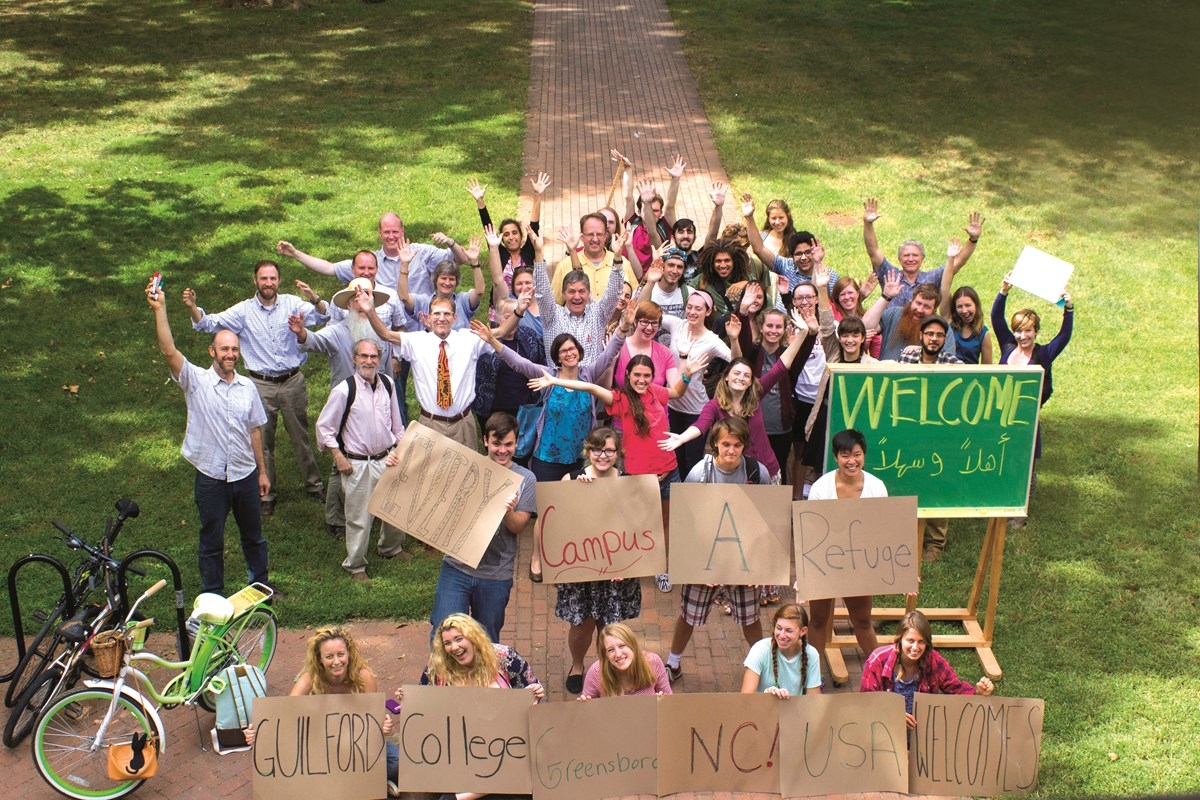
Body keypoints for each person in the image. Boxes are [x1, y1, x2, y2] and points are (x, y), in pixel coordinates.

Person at [529, 352, 710, 593]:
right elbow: (591, 387)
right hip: (638, 477)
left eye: (647, 375)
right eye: (637, 375)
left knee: (665, 523)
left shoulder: (656, 392)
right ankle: (629, 564)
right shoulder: (620, 398)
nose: (642, 380)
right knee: (633, 524)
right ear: (627, 375)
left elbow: (676, 393)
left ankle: (661, 567)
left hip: (669, 471)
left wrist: (687, 375)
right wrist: (555, 381)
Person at [470, 319, 626, 580]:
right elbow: (520, 363)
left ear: (579, 351)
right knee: (547, 511)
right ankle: (537, 557)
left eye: (572, 348)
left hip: (580, 458)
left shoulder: (588, 374)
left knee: (575, 510)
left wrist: (623, 328)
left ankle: (570, 554)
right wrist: (494, 342)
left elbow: (610, 354)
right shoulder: (547, 376)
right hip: (548, 457)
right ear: (557, 356)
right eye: (563, 350)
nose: (569, 353)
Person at [146, 277, 270, 596]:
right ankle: (212, 594)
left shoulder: (248, 389)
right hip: (211, 478)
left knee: (253, 537)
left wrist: (262, 471)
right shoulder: (195, 382)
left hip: (245, 476)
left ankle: (259, 587)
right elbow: (168, 349)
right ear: (212, 350)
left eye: (234, 350)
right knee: (211, 541)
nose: (230, 354)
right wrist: (160, 310)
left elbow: (254, 429)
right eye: (224, 348)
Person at [182, 261, 327, 517]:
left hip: (293, 381)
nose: (268, 283)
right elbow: (208, 323)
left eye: (273, 278)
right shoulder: (243, 312)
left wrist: (314, 298)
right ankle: (267, 493)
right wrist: (194, 308)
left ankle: (314, 485)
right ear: (255, 281)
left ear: (279, 281)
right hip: (261, 385)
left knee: (300, 436)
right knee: (263, 441)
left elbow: (324, 315)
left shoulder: (293, 304)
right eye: (263, 278)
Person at [292, 266, 404, 540]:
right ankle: (335, 518)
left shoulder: (381, 331)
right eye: (356, 296)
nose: (361, 300)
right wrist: (301, 333)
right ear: (350, 303)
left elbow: (388, 368)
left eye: (366, 294)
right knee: (339, 464)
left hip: (377, 402)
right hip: (344, 408)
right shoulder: (338, 330)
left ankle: (373, 512)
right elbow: (314, 342)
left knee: (378, 458)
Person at [665, 418, 770, 684]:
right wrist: (697, 565)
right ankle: (673, 663)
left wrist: (759, 567)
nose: (731, 450)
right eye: (725, 444)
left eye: (737, 444)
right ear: (715, 444)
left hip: (742, 559)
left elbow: (768, 519)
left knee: (751, 618)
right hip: (705, 558)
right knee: (688, 616)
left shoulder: (757, 473)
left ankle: (764, 667)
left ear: (744, 445)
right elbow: (684, 519)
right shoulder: (700, 473)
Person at [659, 308, 816, 481]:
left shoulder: (755, 393)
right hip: (736, 474)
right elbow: (701, 425)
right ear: (726, 377)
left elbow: (782, 365)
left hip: (767, 471)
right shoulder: (715, 406)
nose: (741, 378)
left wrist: (803, 333)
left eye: (746, 375)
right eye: (737, 373)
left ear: (751, 381)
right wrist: (682, 437)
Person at [243, 626, 402, 796]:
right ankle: (356, 780)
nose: (336, 661)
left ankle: (369, 778)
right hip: (321, 743)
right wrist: (259, 732)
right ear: (319, 659)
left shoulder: (364, 678)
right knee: (276, 755)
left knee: (397, 761)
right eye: (329, 656)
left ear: (349, 653)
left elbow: (374, 720)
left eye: (341, 654)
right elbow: (286, 714)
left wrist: (384, 726)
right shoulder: (309, 679)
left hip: (356, 743)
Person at [420, 413, 536, 642]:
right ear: (485, 441)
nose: (502, 450)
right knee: (444, 633)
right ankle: (442, 679)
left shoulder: (526, 478)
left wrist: (508, 510)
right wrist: (395, 461)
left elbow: (518, 527)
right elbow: (427, 484)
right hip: (456, 566)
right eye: (496, 444)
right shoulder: (467, 467)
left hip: (496, 573)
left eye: (508, 444)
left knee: (486, 641)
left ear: (516, 443)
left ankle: (484, 680)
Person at [417, 613, 545, 800]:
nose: (454, 647)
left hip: (505, 747)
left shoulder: (505, 658)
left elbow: (530, 695)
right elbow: (423, 705)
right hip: (463, 751)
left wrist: (535, 694)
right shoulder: (437, 668)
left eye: (459, 639)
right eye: (447, 643)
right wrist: (410, 700)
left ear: (474, 637)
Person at [555, 428, 644, 694]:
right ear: (587, 451)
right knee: (581, 627)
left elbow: (638, 528)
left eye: (609, 450)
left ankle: (608, 669)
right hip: (582, 570)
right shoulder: (570, 479)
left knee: (611, 627)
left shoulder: (629, 483)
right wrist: (576, 494)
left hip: (617, 571)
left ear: (618, 454)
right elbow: (559, 524)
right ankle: (578, 665)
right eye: (597, 449)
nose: (602, 456)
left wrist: (626, 565)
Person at [315, 338, 407, 581]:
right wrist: (338, 457)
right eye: (363, 356)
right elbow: (324, 428)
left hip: (387, 459)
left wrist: (400, 448)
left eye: (373, 357)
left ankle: (391, 548)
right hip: (358, 464)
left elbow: (397, 425)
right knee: (359, 518)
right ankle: (356, 565)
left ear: (380, 359)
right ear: (355, 358)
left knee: (394, 509)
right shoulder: (344, 390)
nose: (369, 361)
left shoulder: (387, 383)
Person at [359, 293, 492, 449]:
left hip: (463, 422)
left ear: (454, 318)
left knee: (466, 471)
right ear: (429, 317)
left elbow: (501, 333)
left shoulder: (469, 339)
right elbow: (386, 334)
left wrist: (518, 312)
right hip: (430, 423)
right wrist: (370, 311)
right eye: (436, 313)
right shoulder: (416, 341)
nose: (441, 318)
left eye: (447, 313)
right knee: (430, 473)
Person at [803, 429, 887, 676]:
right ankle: (812, 678)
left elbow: (883, 530)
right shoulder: (821, 488)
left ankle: (883, 674)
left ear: (864, 455)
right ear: (835, 457)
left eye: (857, 454)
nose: (852, 461)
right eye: (845, 455)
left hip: (859, 563)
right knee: (817, 620)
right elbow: (812, 532)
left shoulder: (876, 487)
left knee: (862, 620)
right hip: (824, 562)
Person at [992, 274, 1074, 527]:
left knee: (1026, 465)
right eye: (1018, 330)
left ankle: (1019, 512)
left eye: (1027, 330)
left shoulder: (1044, 353)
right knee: (1002, 458)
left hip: (1027, 418)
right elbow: (996, 319)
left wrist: (1068, 309)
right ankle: (999, 502)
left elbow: (1064, 336)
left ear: (1035, 331)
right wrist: (1003, 291)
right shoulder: (1007, 347)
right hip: (1002, 414)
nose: (1022, 335)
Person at [860, 610, 995, 729]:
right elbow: (867, 702)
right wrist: (893, 715)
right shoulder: (877, 660)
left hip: (921, 734)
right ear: (899, 640)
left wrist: (978, 692)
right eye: (910, 640)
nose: (915, 647)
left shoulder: (934, 661)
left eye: (921, 642)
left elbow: (955, 689)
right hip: (885, 730)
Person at [862, 197, 985, 305]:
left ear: (922, 258)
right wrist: (868, 224)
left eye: (915, 255)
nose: (910, 259)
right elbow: (873, 251)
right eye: (906, 255)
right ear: (899, 259)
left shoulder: (931, 279)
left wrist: (973, 239)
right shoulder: (891, 276)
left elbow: (957, 262)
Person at [466, 171, 550, 293]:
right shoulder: (499, 253)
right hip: (503, 306)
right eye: (506, 234)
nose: (511, 237)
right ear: (502, 239)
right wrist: (480, 201)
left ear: (521, 236)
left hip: (528, 304)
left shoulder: (529, 251)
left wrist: (537, 195)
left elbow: (534, 225)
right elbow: (488, 227)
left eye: (514, 232)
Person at [549, 212, 640, 303]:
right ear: (581, 237)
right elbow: (554, 304)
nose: (595, 239)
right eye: (590, 234)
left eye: (599, 234)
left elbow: (636, 300)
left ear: (605, 236)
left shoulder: (622, 263)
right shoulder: (565, 265)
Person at [396, 241, 486, 330]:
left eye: (451, 279)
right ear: (435, 280)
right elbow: (404, 297)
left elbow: (479, 292)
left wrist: (474, 261)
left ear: (456, 282)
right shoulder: (424, 302)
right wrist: (404, 264)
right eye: (443, 278)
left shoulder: (462, 301)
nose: (447, 283)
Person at [863, 278, 958, 362]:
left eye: (926, 307)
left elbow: (947, 361)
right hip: (886, 378)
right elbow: (865, 327)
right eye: (918, 303)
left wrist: (923, 350)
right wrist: (886, 297)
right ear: (912, 300)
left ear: (934, 310)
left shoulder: (942, 328)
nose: (920, 310)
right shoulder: (893, 313)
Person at [741, 603, 822, 698]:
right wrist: (766, 696)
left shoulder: (812, 654)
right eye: (779, 628)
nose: (782, 636)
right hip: (763, 710)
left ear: (803, 631)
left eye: (789, 631)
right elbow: (745, 698)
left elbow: (813, 699)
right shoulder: (760, 649)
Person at [579, 623, 672, 699]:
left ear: (632, 645)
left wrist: (663, 701)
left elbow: (668, 697)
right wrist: (585, 704)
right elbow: (586, 706)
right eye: (610, 650)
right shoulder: (596, 673)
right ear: (605, 654)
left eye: (622, 646)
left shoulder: (653, 662)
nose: (618, 654)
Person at [942, 285, 992, 364]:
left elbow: (987, 368)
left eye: (968, 305)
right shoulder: (949, 325)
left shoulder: (983, 334)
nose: (964, 311)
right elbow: (944, 290)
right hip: (949, 373)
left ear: (976, 305)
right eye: (959, 306)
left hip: (970, 375)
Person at [897, 315, 965, 365]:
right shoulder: (905, 360)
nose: (934, 338)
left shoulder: (955, 365)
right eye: (930, 334)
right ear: (921, 335)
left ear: (945, 338)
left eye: (940, 335)